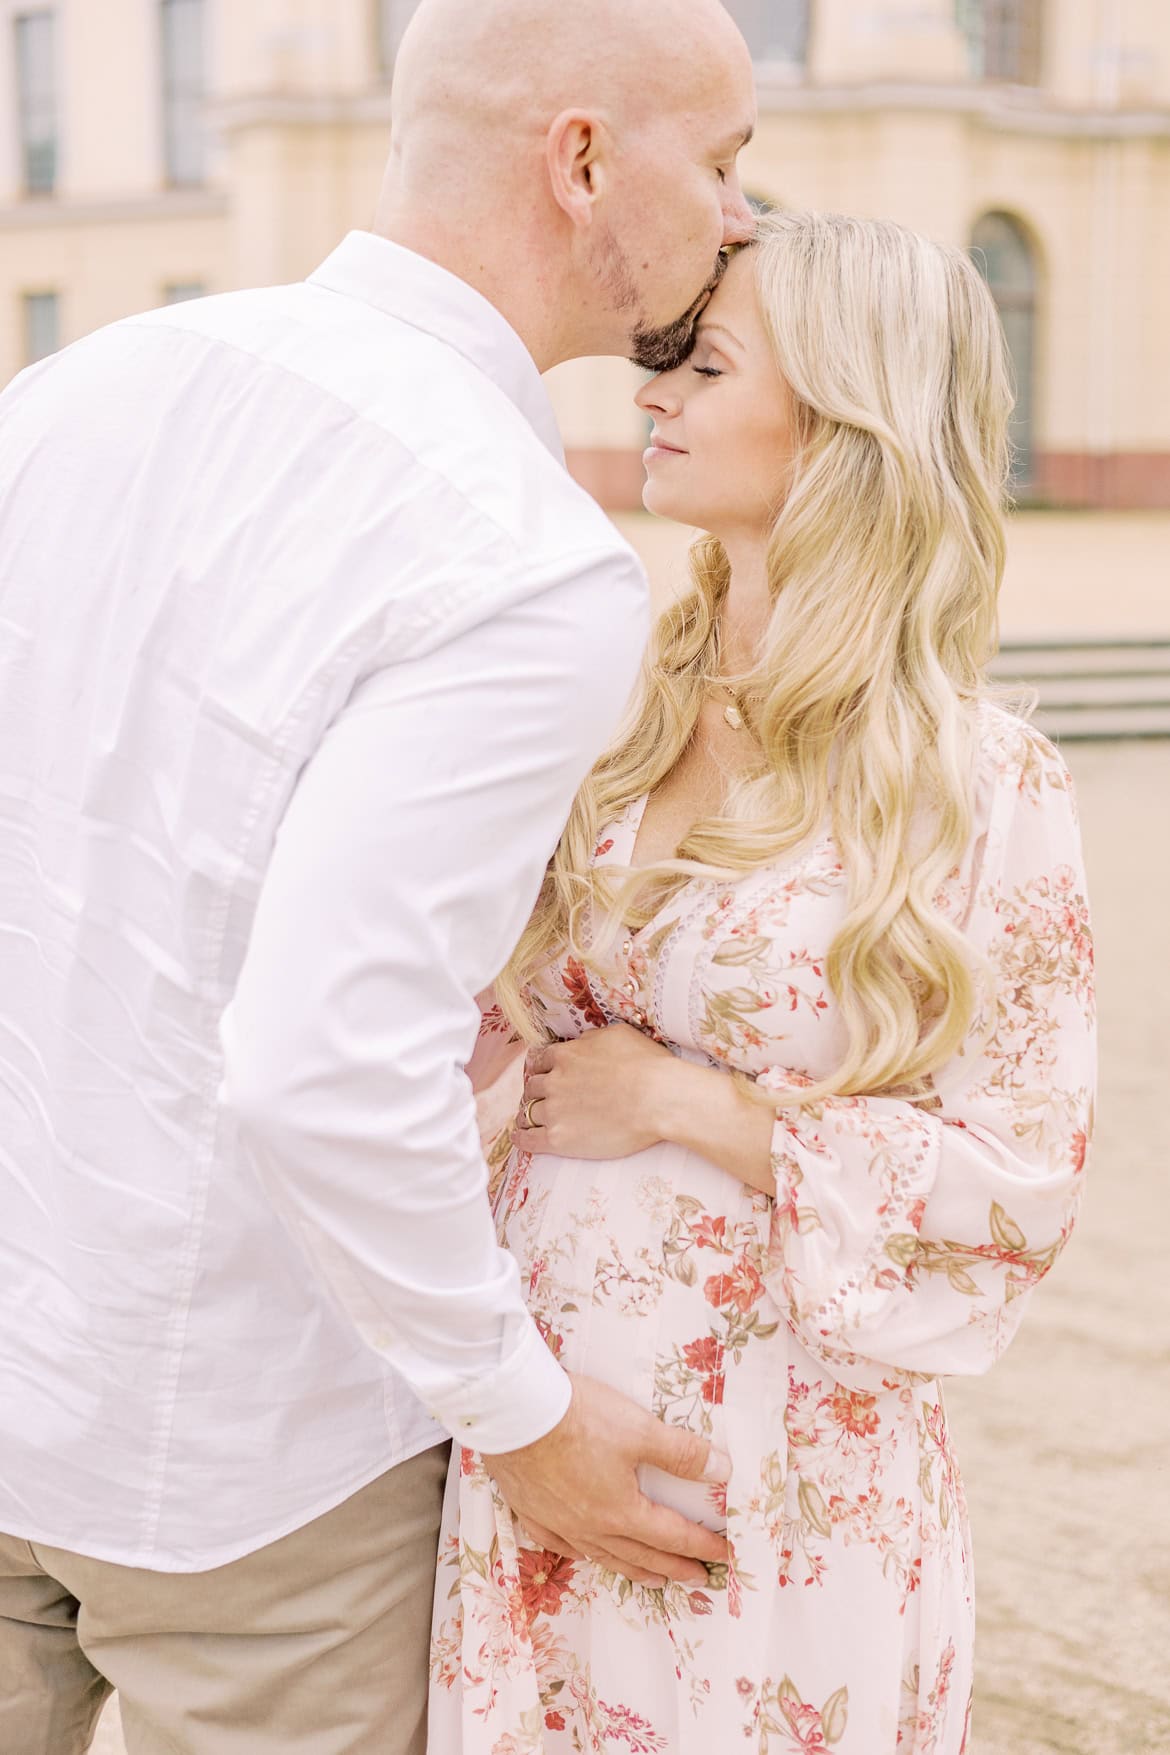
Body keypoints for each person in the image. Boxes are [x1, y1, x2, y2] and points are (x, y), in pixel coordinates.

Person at [0, 2, 758, 1751]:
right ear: (580, 158)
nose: (734, 218)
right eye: (719, 162)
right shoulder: (519, 553)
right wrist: (517, 1411)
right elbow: (321, 1062)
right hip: (238, 1451)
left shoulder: (75, 385)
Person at [428, 213, 1096, 1754]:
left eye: (703, 362)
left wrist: (694, 1103)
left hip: (782, 1475)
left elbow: (1022, 1187)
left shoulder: (980, 788)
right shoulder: (602, 721)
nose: (649, 393)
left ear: (847, 411)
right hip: (528, 1444)